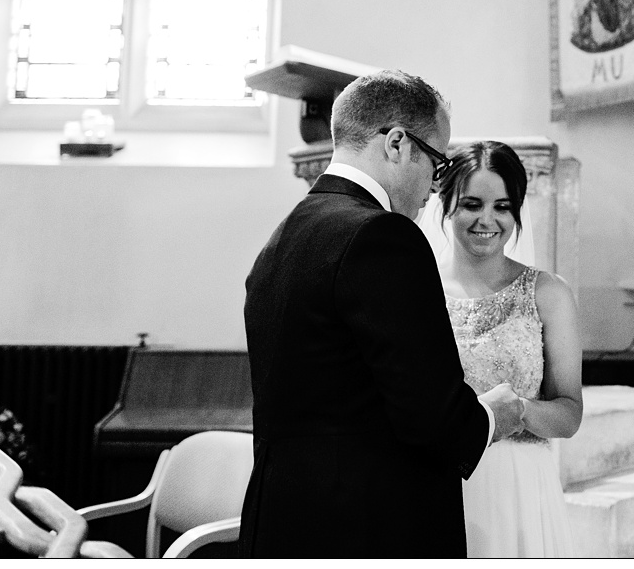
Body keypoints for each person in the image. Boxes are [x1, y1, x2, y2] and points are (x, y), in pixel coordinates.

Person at [238, 70, 526, 557]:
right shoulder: (384, 238)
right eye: (436, 163)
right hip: (365, 528)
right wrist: (492, 416)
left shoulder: (285, 236)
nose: (435, 188)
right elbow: (431, 416)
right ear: (396, 143)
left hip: (284, 518)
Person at [437, 142, 582, 557]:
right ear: (447, 205)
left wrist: (520, 410)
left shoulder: (548, 293)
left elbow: (569, 413)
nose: (487, 219)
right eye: (471, 204)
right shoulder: (420, 291)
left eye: (502, 206)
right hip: (444, 481)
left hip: (519, 486)